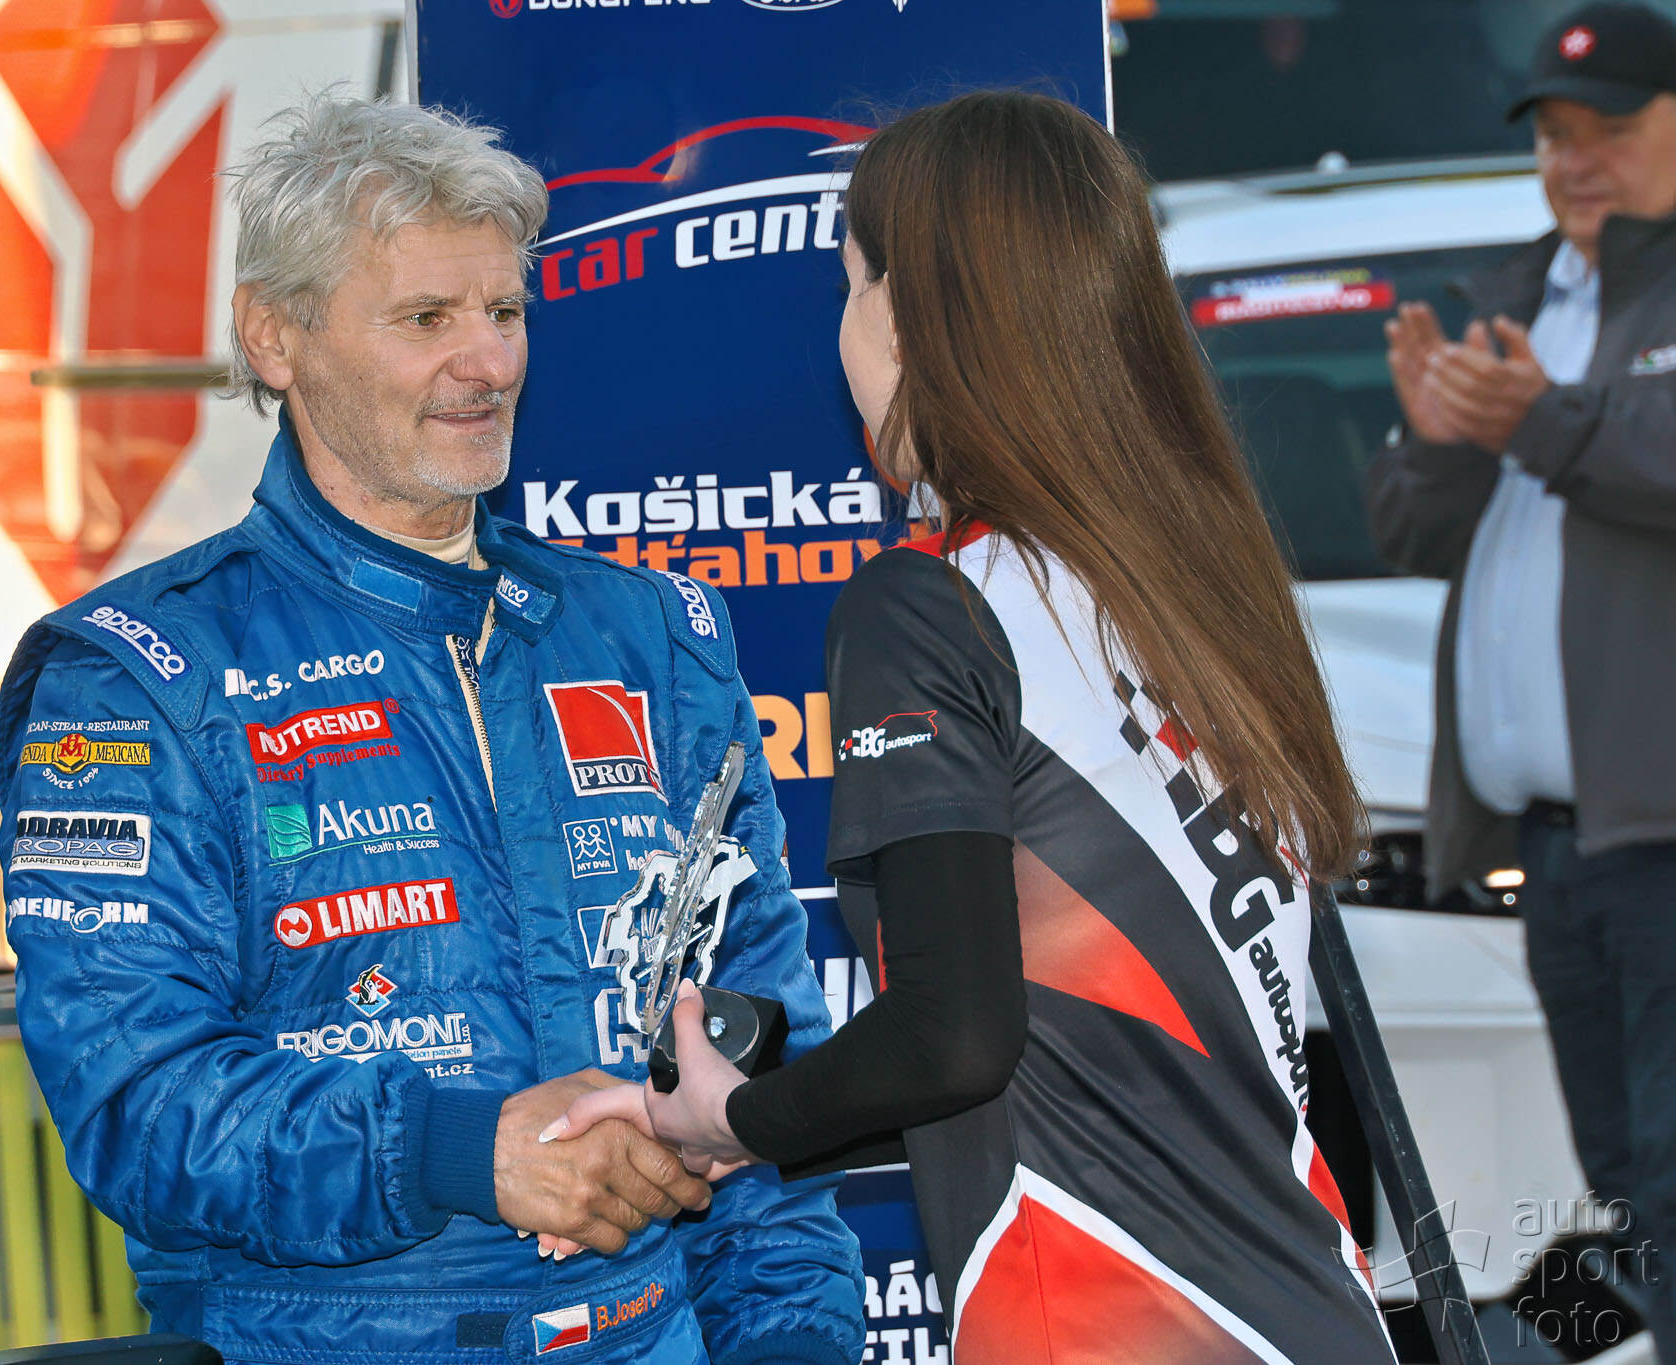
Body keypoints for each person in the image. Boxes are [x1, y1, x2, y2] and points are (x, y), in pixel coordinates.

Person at [0, 96, 864, 1365]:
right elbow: (134, 1099)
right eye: (425, 319)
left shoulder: (652, 637)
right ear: (274, 337)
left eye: (504, 312)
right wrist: (462, 1151)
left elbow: (758, 1039)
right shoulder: (137, 678)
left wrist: (791, 1343)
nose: (489, 363)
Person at [553, 90, 1393, 1363]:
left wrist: (735, 1119)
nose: (840, 326)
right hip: (1307, 1305)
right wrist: (762, 1118)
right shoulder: (1183, 581)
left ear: (909, 315)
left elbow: (954, 1034)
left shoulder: (933, 602)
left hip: (1111, 1328)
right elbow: (1043, 1049)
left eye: (849, 283)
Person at [1367, 3, 1676, 1355]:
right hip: (1550, 847)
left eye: (1606, 127)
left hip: (1663, 838)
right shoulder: (1519, 295)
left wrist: (1537, 422)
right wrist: (1445, 441)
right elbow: (1409, 529)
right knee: (1628, 1178)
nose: (1574, 158)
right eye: (1552, 133)